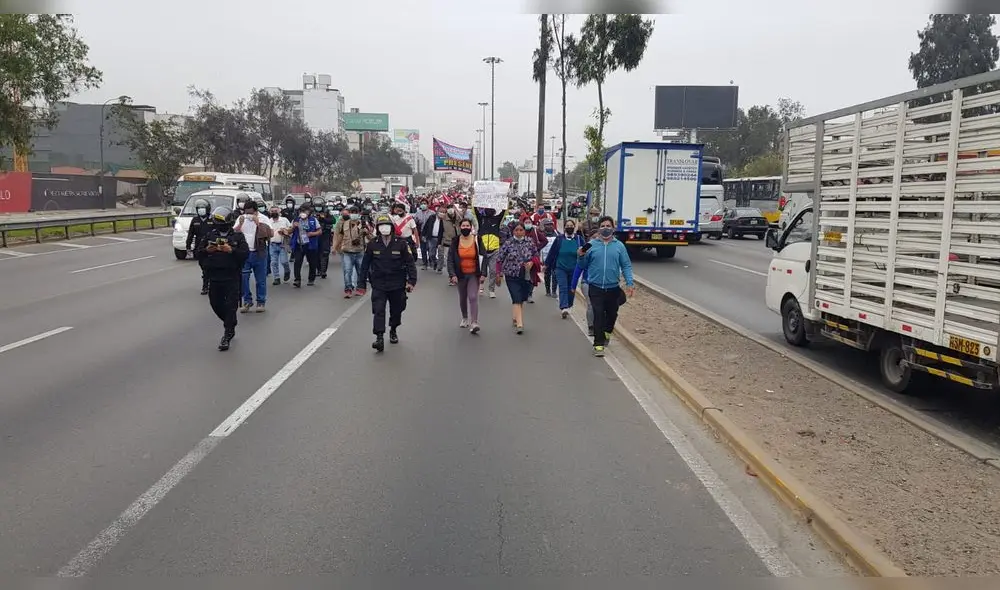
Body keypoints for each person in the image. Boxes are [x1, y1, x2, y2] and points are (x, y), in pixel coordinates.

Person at [578, 216, 635, 357]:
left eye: (608, 225)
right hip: (595, 287)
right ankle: (598, 344)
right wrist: (580, 256)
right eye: (602, 226)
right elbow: (582, 265)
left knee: (611, 314)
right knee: (598, 314)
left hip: (613, 287)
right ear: (598, 228)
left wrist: (629, 283)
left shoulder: (619, 246)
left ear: (613, 228)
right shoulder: (591, 245)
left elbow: (626, 265)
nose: (605, 228)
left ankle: (607, 332)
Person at [360, 214, 418, 352]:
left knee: (397, 309)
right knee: (378, 310)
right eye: (381, 226)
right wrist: (361, 284)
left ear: (392, 227)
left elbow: (410, 263)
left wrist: (412, 281)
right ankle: (379, 337)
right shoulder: (372, 244)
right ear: (377, 228)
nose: (384, 228)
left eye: (386, 225)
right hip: (379, 283)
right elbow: (365, 265)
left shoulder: (401, 243)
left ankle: (393, 328)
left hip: (397, 283)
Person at [198, 206, 249, 351]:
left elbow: (244, 254)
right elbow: (199, 253)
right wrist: (208, 250)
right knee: (216, 305)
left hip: (232, 277)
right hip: (214, 277)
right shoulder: (209, 236)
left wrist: (231, 250)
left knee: (231, 306)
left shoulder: (238, 236)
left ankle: (227, 334)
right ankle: (230, 322)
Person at [494, 222, 538, 335]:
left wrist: (532, 262)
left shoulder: (529, 242)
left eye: (521, 230)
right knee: (516, 297)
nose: (519, 232)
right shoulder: (508, 243)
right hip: (511, 275)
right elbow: (499, 259)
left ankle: (515, 316)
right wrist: (498, 273)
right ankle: (520, 324)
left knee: (522, 297)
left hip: (526, 275)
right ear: (513, 231)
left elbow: (535, 255)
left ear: (524, 231)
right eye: (516, 230)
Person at [447, 218, 486, 334]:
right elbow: (450, 259)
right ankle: (465, 317)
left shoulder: (477, 240)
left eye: (467, 226)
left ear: (471, 227)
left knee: (473, 297)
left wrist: (484, 273)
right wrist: (452, 274)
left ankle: (474, 322)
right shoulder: (455, 241)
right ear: (460, 227)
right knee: (463, 297)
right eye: (463, 226)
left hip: (473, 273)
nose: (465, 228)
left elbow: (484, 257)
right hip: (460, 275)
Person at [234, 200, 273, 313]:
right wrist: (240, 224)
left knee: (260, 280)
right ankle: (247, 301)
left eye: (251, 212)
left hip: (259, 252)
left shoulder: (263, 218)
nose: (248, 215)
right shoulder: (241, 218)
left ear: (256, 211)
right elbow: (234, 232)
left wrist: (258, 223)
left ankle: (261, 302)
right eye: (246, 212)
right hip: (245, 252)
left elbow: (270, 234)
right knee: (244, 278)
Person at [545, 217, 586, 319]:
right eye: (567, 226)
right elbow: (552, 252)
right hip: (560, 268)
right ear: (564, 228)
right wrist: (546, 264)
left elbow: (585, 252)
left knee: (571, 288)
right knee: (563, 287)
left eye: (571, 226)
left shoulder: (579, 240)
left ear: (574, 228)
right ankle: (564, 307)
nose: (569, 228)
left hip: (574, 269)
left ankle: (569, 304)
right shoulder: (559, 239)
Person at [333, 204, 370, 298]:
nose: (354, 214)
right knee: (347, 271)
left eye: (355, 213)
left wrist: (366, 231)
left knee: (360, 272)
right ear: (349, 213)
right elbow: (340, 236)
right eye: (352, 212)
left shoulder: (362, 224)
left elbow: (369, 237)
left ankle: (360, 288)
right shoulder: (344, 223)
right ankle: (348, 289)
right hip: (347, 251)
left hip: (359, 251)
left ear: (359, 213)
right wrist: (334, 247)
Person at [475, 207, 505, 299]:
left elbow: (504, 212)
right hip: (482, 250)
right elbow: (475, 210)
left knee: (493, 271)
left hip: (494, 250)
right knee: (482, 271)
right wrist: (474, 199)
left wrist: (506, 201)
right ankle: (481, 286)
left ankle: (491, 290)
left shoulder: (497, 219)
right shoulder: (481, 219)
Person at [291, 203, 322, 287]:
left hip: (310, 244)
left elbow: (319, 231)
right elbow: (289, 231)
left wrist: (312, 234)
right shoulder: (296, 220)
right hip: (299, 244)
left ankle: (311, 279)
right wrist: (293, 227)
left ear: (309, 212)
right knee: (297, 262)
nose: (303, 213)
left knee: (312, 262)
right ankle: (297, 280)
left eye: (305, 211)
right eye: (301, 211)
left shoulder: (313, 220)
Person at [185, 198, 212, 295]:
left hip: (210, 247)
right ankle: (207, 279)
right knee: (203, 265)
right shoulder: (195, 220)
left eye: (203, 208)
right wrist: (188, 247)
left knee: (208, 267)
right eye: (199, 208)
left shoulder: (212, 219)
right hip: (199, 247)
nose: (201, 209)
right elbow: (191, 234)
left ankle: (206, 286)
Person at [267, 205, 292, 285]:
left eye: (276, 211)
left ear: (279, 211)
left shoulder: (284, 220)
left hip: (282, 244)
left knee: (284, 261)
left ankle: (287, 270)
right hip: (272, 244)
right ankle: (276, 278)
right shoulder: (268, 221)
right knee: (273, 262)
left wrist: (285, 231)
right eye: (272, 211)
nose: (274, 212)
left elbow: (291, 229)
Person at [438, 204, 460, 281]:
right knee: (449, 259)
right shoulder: (443, 219)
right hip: (447, 242)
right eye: (449, 208)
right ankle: (451, 276)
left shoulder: (458, 218)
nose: (451, 210)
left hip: (458, 242)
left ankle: (457, 274)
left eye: (452, 208)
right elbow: (440, 231)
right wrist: (439, 243)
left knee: (457, 259)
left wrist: (457, 211)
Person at [316, 203, 337, 280]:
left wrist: (323, 219)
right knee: (316, 254)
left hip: (325, 235)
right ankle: (318, 270)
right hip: (315, 236)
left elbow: (333, 220)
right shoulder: (312, 213)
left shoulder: (327, 213)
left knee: (325, 253)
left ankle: (323, 271)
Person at [413, 198, 435, 270]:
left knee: (430, 248)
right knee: (423, 249)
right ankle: (424, 264)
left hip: (430, 233)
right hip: (422, 232)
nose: (423, 205)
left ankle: (432, 262)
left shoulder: (432, 213)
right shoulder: (418, 213)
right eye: (422, 203)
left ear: (428, 204)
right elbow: (414, 222)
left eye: (425, 203)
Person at [539, 217, 558, 298]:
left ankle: (554, 291)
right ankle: (548, 290)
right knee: (547, 275)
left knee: (555, 275)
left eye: (551, 225)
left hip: (555, 258)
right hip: (545, 258)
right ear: (544, 226)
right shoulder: (541, 235)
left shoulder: (557, 234)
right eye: (547, 225)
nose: (550, 226)